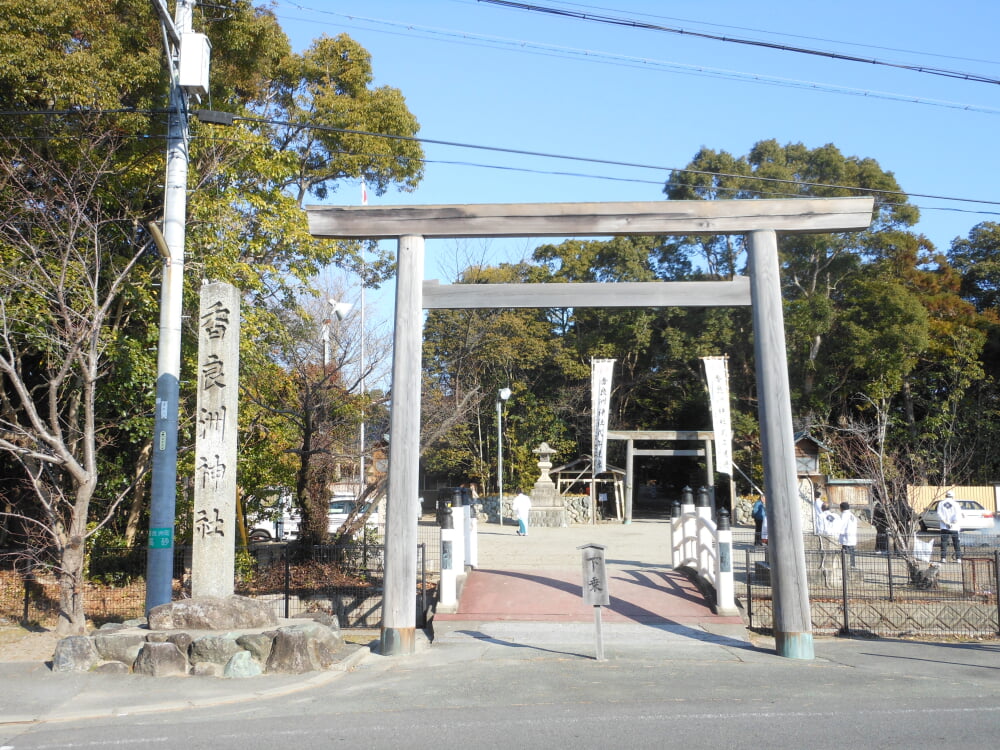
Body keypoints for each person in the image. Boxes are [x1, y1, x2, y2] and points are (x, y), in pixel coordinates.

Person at [937, 490, 963, 563]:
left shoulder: (941, 503)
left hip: (944, 527)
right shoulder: (956, 504)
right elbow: (958, 515)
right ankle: (958, 558)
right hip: (954, 527)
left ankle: (943, 558)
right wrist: (953, 522)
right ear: (953, 496)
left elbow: (939, 514)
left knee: (944, 543)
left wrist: (945, 522)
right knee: (956, 542)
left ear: (946, 496)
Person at [838, 501, 858, 567]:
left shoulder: (844, 515)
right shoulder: (852, 515)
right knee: (852, 552)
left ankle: (846, 566)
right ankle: (852, 565)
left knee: (846, 553)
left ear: (841, 508)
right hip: (852, 536)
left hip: (846, 537)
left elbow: (841, 525)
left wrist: (838, 533)